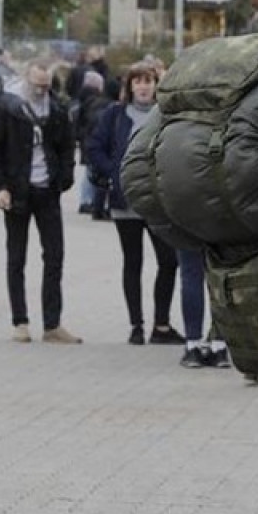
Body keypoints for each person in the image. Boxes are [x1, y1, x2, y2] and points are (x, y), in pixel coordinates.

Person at [0, 61, 82, 344]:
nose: (41, 90)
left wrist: (64, 178)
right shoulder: (6, 107)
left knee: (54, 255)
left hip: (47, 191)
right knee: (17, 257)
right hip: (16, 191)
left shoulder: (57, 109)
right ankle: (20, 321)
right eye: (37, 84)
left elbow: (66, 146)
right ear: (26, 79)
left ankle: (52, 324)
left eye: (46, 85)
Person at [86, 61, 183, 346]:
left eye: (148, 81)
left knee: (168, 261)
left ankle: (161, 325)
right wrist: (114, 173)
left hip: (158, 202)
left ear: (156, 85)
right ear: (129, 86)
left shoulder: (165, 115)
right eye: (137, 82)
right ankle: (136, 325)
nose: (143, 87)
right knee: (133, 262)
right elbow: (95, 147)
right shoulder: (115, 115)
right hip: (125, 201)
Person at [71, 71, 113, 218]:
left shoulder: (82, 100)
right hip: (93, 139)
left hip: (86, 139)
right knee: (93, 172)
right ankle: (89, 201)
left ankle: (86, 200)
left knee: (89, 171)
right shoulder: (101, 104)